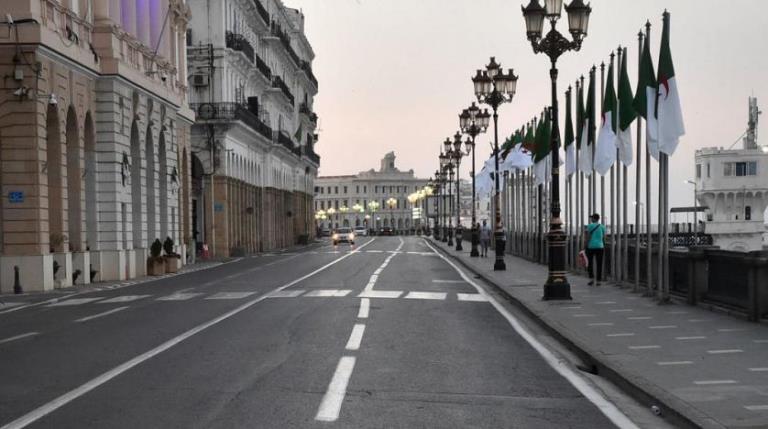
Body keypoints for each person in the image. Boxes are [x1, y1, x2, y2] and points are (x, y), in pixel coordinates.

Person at [584, 213, 606, 286]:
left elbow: (587, 236)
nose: (591, 219)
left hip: (591, 247)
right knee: (599, 264)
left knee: (590, 263)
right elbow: (604, 237)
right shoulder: (603, 227)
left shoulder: (590, 226)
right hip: (600, 247)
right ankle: (598, 281)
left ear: (594, 218)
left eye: (592, 218)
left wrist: (585, 245)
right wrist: (603, 245)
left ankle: (591, 279)